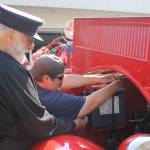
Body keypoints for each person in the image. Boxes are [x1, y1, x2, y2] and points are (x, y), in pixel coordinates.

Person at [0, 4, 88, 150]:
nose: (31, 47)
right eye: (29, 40)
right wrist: (73, 124)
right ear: (12, 34)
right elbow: (37, 125)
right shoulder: (10, 69)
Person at [30, 54, 123, 120]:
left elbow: (67, 79)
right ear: (46, 78)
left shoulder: (31, 80)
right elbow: (89, 104)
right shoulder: (48, 99)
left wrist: (99, 78)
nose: (62, 80)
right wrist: (117, 85)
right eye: (60, 77)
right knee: (81, 120)